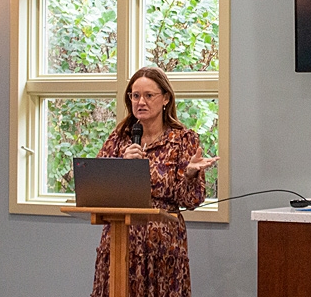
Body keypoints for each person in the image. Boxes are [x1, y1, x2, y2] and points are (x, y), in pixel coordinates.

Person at [90, 66, 220, 297]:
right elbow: (96, 190)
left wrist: (190, 174)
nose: (141, 102)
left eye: (149, 95)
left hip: (163, 247)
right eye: (135, 95)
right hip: (120, 242)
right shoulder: (119, 138)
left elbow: (191, 200)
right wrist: (122, 162)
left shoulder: (183, 140)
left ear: (165, 99)